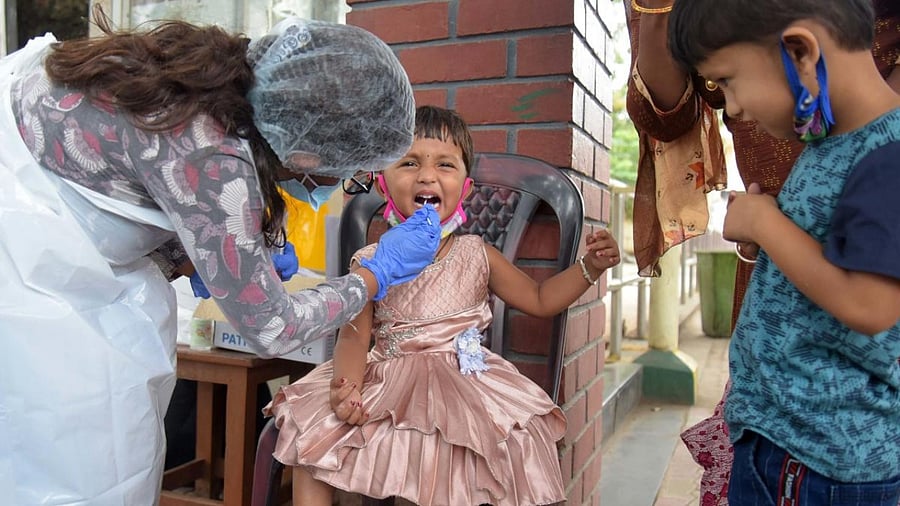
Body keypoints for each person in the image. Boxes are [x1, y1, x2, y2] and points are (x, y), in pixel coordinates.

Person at [0, 7, 443, 503]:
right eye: (352, 173)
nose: (345, 184)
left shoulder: (212, 82)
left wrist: (190, 253)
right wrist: (373, 274)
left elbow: (123, 180)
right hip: (22, 255)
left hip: (36, 209)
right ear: (307, 155)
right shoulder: (211, 157)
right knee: (76, 454)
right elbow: (271, 329)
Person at [263, 105, 621, 506]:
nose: (427, 175)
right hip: (386, 381)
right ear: (383, 184)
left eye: (445, 164)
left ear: (465, 188)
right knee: (309, 437)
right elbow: (353, 337)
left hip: (461, 387)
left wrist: (589, 267)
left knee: (445, 451)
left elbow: (540, 299)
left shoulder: (476, 253)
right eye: (410, 162)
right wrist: (344, 389)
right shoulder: (370, 260)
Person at [624, 0, 899, 502]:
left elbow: (872, 305)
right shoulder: (832, 143)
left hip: (822, 469)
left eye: (728, 81)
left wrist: (769, 225)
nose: (731, 108)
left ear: (799, 52)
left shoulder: (887, 157)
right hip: (783, 446)